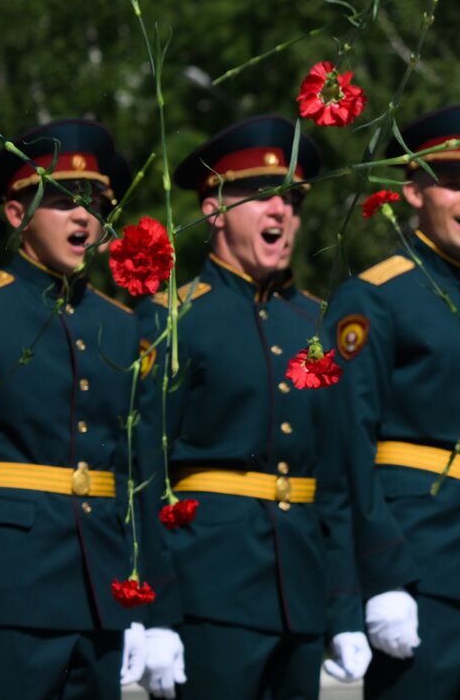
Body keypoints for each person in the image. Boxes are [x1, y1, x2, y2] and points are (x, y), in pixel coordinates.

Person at [136, 115, 365, 699]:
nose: (281, 212)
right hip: (210, 592)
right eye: (262, 196)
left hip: (302, 593)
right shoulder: (174, 319)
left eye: (291, 198)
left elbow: (334, 481)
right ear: (213, 209)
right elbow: (142, 471)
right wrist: (157, 609)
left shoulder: (314, 323)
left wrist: (343, 607)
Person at [324, 105, 460, 700]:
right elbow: (349, 452)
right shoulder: (376, 297)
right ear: (413, 190)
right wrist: (379, 578)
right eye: (454, 184)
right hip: (420, 575)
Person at [0, 119, 178, 698]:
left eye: (93, 203)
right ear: (16, 215)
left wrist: (154, 604)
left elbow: (139, 474)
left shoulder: (119, 324)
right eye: (62, 202)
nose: (83, 218)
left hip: (101, 592)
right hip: (11, 590)